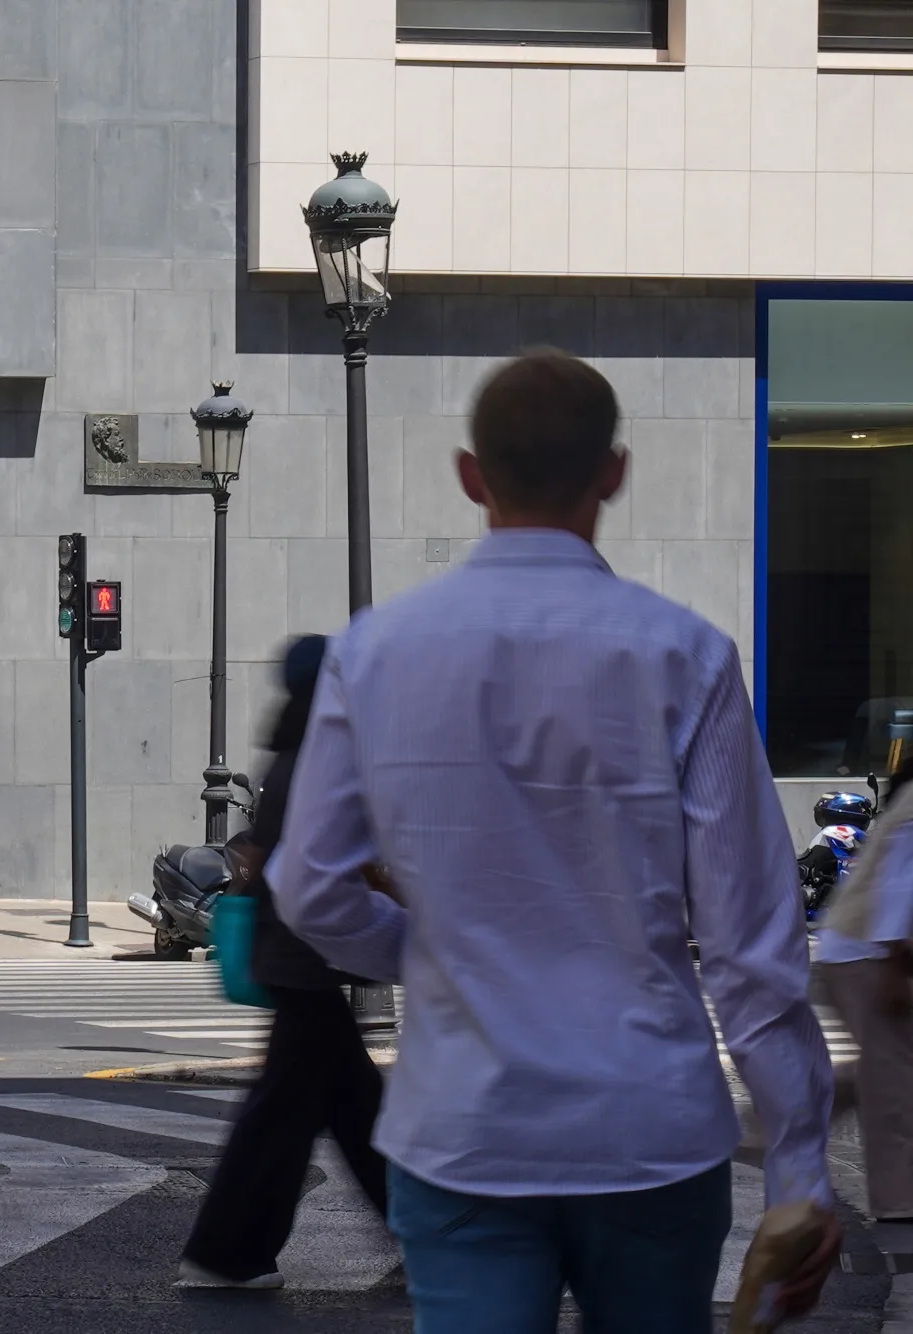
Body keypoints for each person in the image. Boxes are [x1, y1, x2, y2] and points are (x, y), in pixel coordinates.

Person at [270, 350, 839, 1333]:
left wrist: (417, 947)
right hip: (646, 1127)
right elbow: (748, 936)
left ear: (467, 474)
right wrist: (797, 1164)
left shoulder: (373, 651)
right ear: (610, 473)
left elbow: (309, 885)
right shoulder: (686, 654)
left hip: (462, 1126)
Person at [178, 634, 388, 1290]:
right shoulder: (318, 761)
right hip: (305, 957)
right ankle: (222, 1253)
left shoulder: (290, 755)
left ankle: (422, 1228)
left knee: (352, 1110)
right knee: (289, 1117)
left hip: (293, 957)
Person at [818, 760, 913, 1225]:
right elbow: (902, 881)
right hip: (866, 952)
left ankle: (784, 1117)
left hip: (868, 949)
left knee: (886, 1063)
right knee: (892, 1080)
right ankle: (898, 1202)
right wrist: (894, 964)